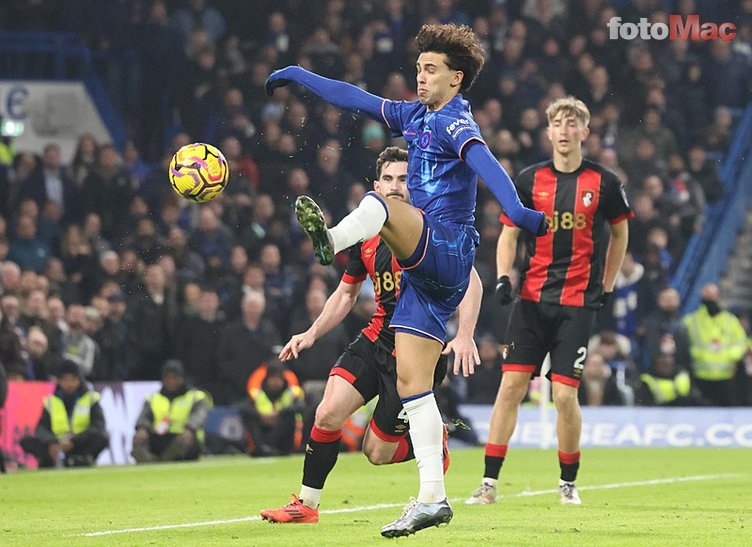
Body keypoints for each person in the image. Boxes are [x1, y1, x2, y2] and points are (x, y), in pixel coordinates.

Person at [266, 23, 543, 537]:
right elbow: (356, 98)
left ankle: (331, 237)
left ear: (456, 78)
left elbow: (487, 164)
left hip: (448, 246)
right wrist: (302, 76)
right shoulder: (416, 115)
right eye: (418, 68)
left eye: (431, 69)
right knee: (416, 389)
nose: (420, 76)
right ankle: (433, 500)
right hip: (423, 280)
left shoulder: (456, 122)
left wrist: (519, 213)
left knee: (383, 205)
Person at [260, 147, 482, 526]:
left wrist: (465, 334)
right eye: (389, 180)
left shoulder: (430, 227)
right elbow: (347, 293)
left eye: (404, 179)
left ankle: (431, 436)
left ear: (416, 186)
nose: (396, 188)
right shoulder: (367, 233)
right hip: (377, 336)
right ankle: (307, 506)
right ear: (376, 187)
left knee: (376, 452)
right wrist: (312, 333)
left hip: (416, 348)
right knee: (327, 412)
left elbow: (472, 280)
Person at [466, 97, 631, 507]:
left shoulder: (605, 183)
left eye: (571, 123)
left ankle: (568, 484)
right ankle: (488, 483)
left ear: (584, 132)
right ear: (548, 131)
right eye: (556, 123)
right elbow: (508, 234)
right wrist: (505, 276)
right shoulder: (528, 179)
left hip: (576, 303)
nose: (563, 129)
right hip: (531, 301)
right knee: (510, 387)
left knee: (562, 395)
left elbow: (621, 233)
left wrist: (607, 284)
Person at [20, 360, 109, 468]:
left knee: (102, 437)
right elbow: (41, 428)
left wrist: (75, 441)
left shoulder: (90, 399)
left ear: (79, 380)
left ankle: (81, 458)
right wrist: (51, 442)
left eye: (73, 380)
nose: (69, 384)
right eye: (65, 380)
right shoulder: (51, 401)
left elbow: (98, 426)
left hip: (79, 442)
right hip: (56, 444)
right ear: (59, 381)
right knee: (26, 441)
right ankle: (50, 460)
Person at [131, 360, 211, 462]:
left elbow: (199, 416)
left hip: (183, 436)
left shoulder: (196, 397)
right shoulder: (153, 398)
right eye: (167, 377)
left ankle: (163, 460)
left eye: (174, 377)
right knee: (139, 438)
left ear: (181, 378)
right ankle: (151, 459)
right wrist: (142, 428)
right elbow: (144, 417)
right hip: (159, 437)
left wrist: (190, 428)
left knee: (185, 440)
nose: (170, 381)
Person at [682, 283, 747, 406]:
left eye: (713, 295)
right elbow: (685, 345)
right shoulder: (691, 320)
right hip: (700, 376)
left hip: (726, 376)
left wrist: (730, 355)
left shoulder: (730, 320)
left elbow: (741, 342)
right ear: (701, 296)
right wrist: (698, 354)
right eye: (707, 295)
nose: (710, 299)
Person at [241, 358, 305, 457]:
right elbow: (243, 407)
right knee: (250, 417)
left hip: (283, 434)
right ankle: (259, 448)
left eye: (278, 378)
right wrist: (260, 415)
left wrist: (279, 414)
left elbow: (301, 407)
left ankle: (286, 449)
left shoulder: (292, 393)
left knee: (290, 417)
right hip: (264, 429)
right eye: (272, 378)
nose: (275, 382)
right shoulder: (258, 394)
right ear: (266, 379)